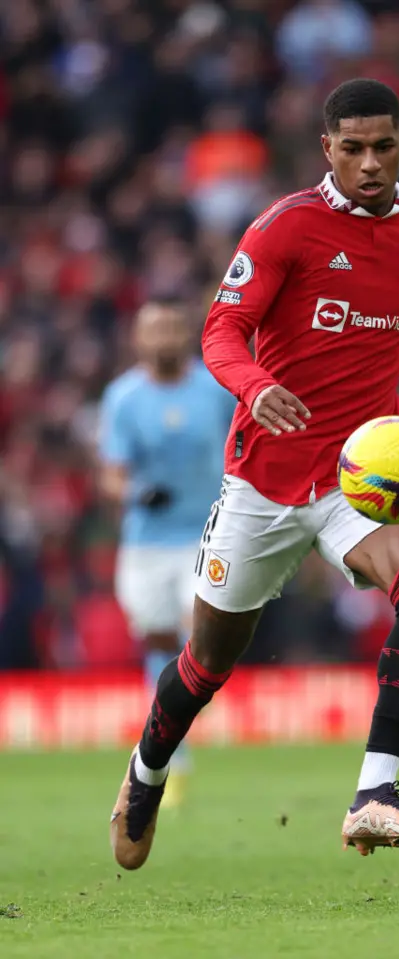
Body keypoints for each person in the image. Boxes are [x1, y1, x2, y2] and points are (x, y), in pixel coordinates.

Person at [110, 79, 399, 868]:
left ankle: (375, 792)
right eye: (354, 148)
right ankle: (146, 769)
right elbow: (221, 328)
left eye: (385, 146)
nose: (371, 163)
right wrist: (256, 385)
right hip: (262, 482)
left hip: (359, 476)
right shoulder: (285, 228)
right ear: (327, 148)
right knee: (205, 665)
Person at [100, 297, 235, 808]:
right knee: (158, 639)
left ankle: (173, 745)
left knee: (195, 633)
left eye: (172, 328)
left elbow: (240, 445)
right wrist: (135, 492)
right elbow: (111, 473)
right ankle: (173, 747)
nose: (163, 338)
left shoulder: (215, 389)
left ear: (187, 334)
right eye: (153, 329)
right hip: (147, 542)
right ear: (138, 338)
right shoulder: (123, 398)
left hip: (208, 534)